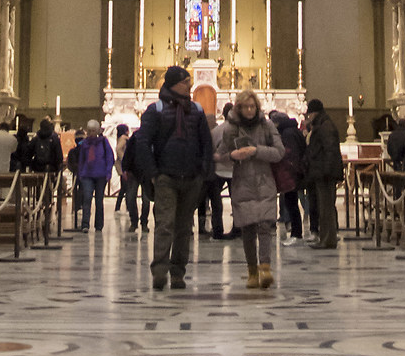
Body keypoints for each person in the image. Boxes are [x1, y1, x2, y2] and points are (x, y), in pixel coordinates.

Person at [133, 63, 215, 291]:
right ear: (173, 84)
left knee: (184, 227)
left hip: (191, 176)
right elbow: (143, 142)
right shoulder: (156, 110)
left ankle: (178, 272)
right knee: (165, 224)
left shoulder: (196, 110)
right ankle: (160, 271)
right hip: (166, 176)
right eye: (185, 82)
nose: (189, 86)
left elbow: (205, 142)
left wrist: (203, 171)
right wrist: (153, 173)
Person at [215, 88, 284, 290]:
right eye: (245, 107)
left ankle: (265, 267)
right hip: (242, 183)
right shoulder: (230, 129)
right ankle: (252, 270)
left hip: (264, 181)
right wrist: (232, 156)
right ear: (239, 108)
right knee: (248, 228)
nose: (249, 110)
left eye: (252, 106)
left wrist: (256, 151)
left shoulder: (266, 125)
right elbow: (219, 155)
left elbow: (279, 152)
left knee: (265, 226)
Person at [303, 96, 344, 249]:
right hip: (322, 172)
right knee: (323, 207)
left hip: (325, 173)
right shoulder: (322, 124)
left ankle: (327, 239)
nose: (308, 117)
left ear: (314, 113)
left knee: (326, 208)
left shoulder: (325, 126)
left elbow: (330, 150)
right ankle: (325, 238)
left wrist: (327, 171)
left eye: (309, 114)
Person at [269, 108, 306, 240]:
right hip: (294, 172)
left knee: (292, 203)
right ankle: (296, 232)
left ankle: (296, 233)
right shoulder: (293, 130)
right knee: (291, 202)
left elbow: (290, 154)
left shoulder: (287, 133)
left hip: (291, 173)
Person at [74, 117, 115, 233]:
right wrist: (81, 173)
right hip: (87, 174)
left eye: (93, 130)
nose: (91, 133)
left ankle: (99, 225)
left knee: (99, 200)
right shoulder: (84, 143)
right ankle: (85, 224)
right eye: (89, 130)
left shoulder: (104, 142)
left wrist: (108, 172)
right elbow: (82, 159)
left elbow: (109, 158)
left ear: (97, 131)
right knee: (87, 198)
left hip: (101, 175)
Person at [119, 122, 151, 231]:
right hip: (134, 171)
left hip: (146, 172)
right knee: (131, 198)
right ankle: (134, 221)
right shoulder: (135, 137)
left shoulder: (150, 136)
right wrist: (125, 168)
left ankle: (143, 222)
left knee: (145, 200)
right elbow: (128, 153)